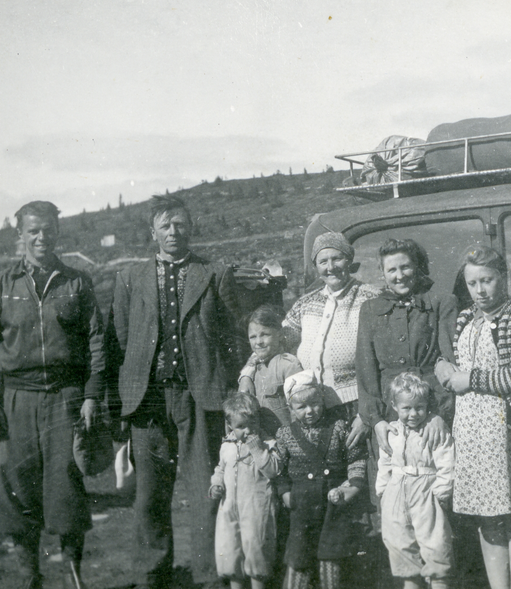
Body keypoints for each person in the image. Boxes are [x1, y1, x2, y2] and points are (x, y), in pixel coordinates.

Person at [0, 200, 105, 589]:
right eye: (33, 231)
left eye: (48, 229)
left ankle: (72, 576)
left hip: (65, 399)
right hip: (17, 399)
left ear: (58, 232)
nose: (41, 237)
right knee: (16, 488)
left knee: (66, 489)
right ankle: (30, 578)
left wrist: (92, 394)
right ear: (21, 235)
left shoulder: (77, 282)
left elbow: (96, 342)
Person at [112, 194, 244, 589]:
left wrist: (228, 385)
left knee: (205, 490)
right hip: (148, 399)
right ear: (152, 232)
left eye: (181, 225)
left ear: (191, 228)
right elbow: (122, 337)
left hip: (198, 395)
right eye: (166, 226)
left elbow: (232, 335)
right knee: (150, 495)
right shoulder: (130, 278)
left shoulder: (213, 273)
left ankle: (209, 575)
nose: (174, 232)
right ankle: (151, 575)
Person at [434, 245, 511, 589]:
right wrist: (444, 367)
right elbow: (455, 363)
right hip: (473, 429)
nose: (480, 290)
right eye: (472, 283)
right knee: (488, 518)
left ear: (504, 278)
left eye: (487, 280)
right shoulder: (467, 319)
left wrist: (468, 379)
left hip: (507, 428)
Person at [356, 238, 456, 456]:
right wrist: (376, 421)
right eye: (391, 270)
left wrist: (441, 414)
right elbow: (366, 373)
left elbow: (450, 363)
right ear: (382, 273)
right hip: (389, 417)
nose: (399, 276)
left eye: (405, 267)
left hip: (431, 412)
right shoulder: (370, 310)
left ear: (417, 267)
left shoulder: (442, 302)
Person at [282, 231, 380, 448]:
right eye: (323, 261)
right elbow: (275, 343)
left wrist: (367, 414)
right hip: (313, 411)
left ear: (349, 259)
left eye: (337, 258)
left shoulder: (371, 297)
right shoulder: (305, 303)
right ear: (316, 266)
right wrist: (248, 373)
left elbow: (383, 362)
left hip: (355, 409)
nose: (331, 267)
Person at [275, 373, 367, 589]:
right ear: (291, 408)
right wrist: (285, 493)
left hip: (332, 502)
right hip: (302, 505)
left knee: (331, 555)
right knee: (299, 555)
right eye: (301, 407)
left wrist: (352, 486)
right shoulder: (285, 434)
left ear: (322, 401)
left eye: (315, 404)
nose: (309, 411)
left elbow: (356, 458)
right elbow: (279, 469)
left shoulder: (338, 427)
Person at [376, 373, 456, 589]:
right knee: (399, 544)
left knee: (435, 544)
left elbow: (446, 461)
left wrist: (441, 492)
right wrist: (383, 491)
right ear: (395, 406)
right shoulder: (392, 431)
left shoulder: (433, 429)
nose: (413, 414)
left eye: (419, 408)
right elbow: (385, 462)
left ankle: (439, 582)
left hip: (426, 490)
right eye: (406, 408)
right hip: (396, 490)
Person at [210, 391, 283, 589]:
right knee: (231, 548)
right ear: (230, 426)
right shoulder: (227, 445)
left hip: (256, 506)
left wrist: (257, 448)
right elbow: (220, 468)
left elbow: (273, 470)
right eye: (241, 427)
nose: (247, 431)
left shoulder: (267, 444)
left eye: (252, 424)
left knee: (256, 548)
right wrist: (216, 484)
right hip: (229, 506)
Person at [238, 304, 304, 434]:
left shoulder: (289, 365)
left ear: (280, 335)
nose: (258, 342)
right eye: (253, 337)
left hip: (288, 438)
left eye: (265, 334)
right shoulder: (253, 366)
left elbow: (299, 409)